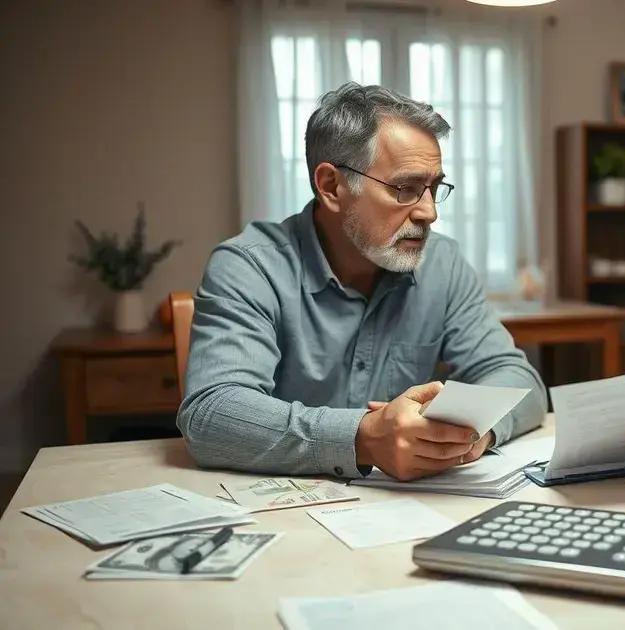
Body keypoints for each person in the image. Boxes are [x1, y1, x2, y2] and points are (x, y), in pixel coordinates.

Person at [178, 83, 546, 481]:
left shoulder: (443, 263)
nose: (428, 214)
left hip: (403, 514)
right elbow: (212, 412)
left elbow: (519, 382)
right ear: (332, 186)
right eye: (405, 188)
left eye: (434, 189)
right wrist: (363, 437)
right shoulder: (249, 267)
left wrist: (476, 432)